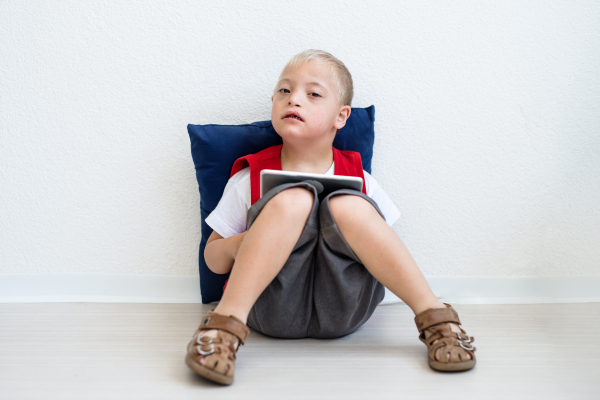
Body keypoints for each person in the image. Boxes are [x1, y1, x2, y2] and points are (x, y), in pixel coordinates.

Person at [185, 50, 477, 385]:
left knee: (350, 206)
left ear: (341, 116)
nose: (294, 99)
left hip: (344, 307)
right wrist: (243, 243)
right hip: (267, 309)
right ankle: (224, 327)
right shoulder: (248, 177)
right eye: (284, 90)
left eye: (312, 94)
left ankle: (437, 319)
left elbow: (385, 249)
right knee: (292, 199)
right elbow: (213, 260)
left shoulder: (362, 178)